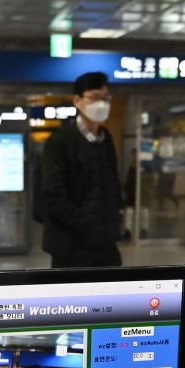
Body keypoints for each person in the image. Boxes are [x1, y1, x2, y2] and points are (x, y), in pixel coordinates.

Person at [38, 71, 123, 268]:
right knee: (72, 298)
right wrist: (82, 220)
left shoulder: (106, 138)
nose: (101, 104)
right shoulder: (60, 141)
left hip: (105, 242)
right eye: (94, 98)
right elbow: (53, 193)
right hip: (71, 245)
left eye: (105, 98)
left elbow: (110, 181)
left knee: (111, 296)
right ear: (77, 101)